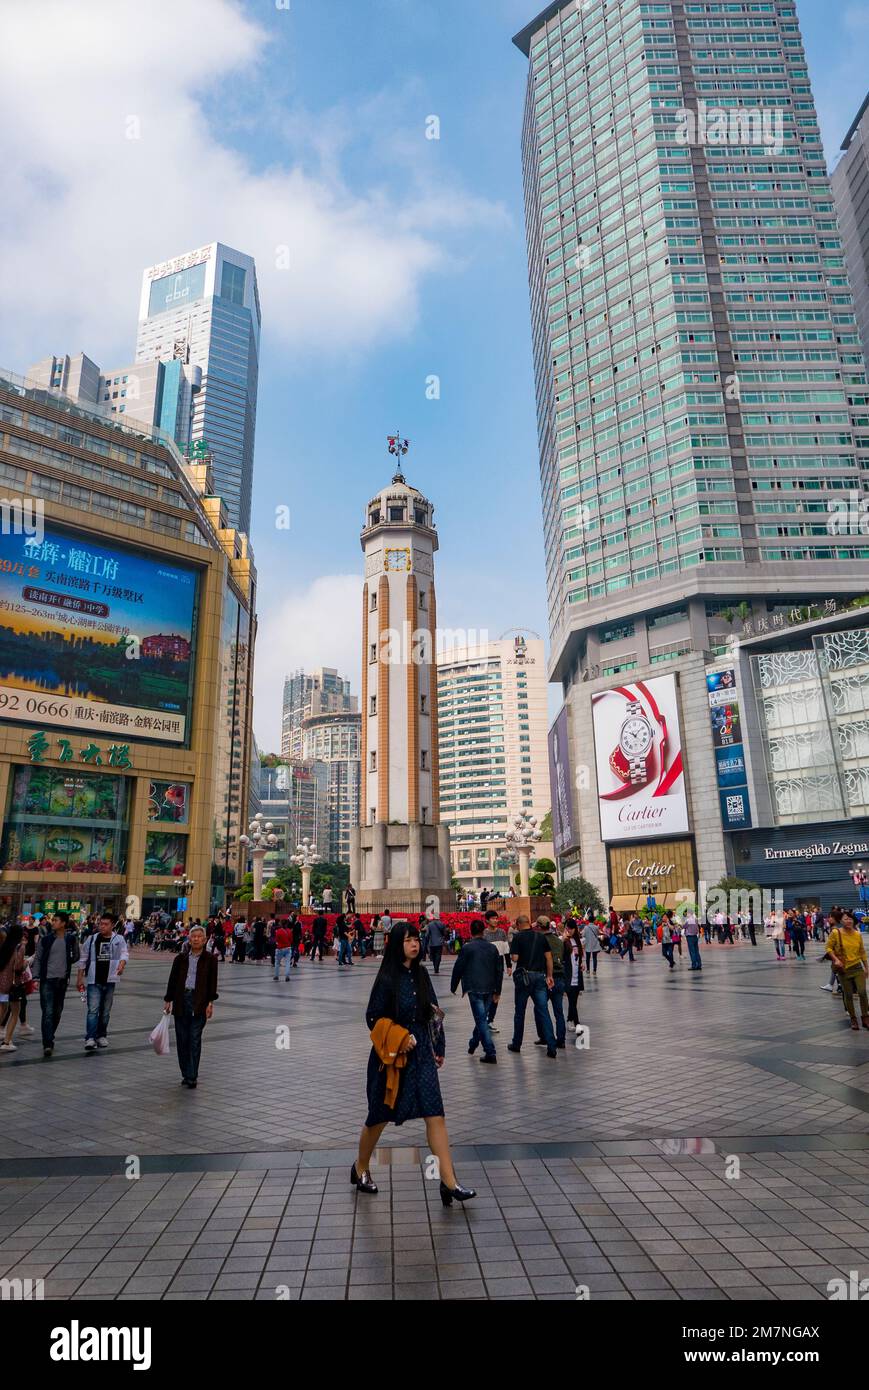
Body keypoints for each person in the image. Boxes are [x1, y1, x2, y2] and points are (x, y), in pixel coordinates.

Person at [352, 922, 475, 1207]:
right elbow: (373, 1017)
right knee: (379, 1116)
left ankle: (449, 1181)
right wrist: (400, 1036)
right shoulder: (386, 978)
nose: (415, 944)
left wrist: (439, 1046)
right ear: (397, 944)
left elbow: (433, 1012)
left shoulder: (420, 974)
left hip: (421, 1055)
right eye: (408, 940)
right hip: (393, 1058)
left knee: (436, 1115)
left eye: (416, 939)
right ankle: (360, 1167)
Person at [163, 924, 219, 1087]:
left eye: (199, 937)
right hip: (181, 1000)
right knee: (182, 1039)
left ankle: (192, 1075)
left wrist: (210, 1003)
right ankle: (185, 1073)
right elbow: (172, 980)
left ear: (204, 939)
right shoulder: (180, 959)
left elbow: (212, 983)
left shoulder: (210, 959)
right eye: (193, 936)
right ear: (189, 939)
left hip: (199, 1001)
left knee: (194, 1038)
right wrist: (168, 999)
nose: (195, 939)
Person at [450, 918, 503, 1063]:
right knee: (482, 1019)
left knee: (481, 1020)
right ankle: (473, 1042)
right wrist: (498, 990)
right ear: (483, 931)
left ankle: (490, 1052)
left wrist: (453, 985)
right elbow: (499, 970)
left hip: (474, 988)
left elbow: (458, 967)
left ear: (471, 931)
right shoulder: (492, 948)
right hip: (490, 987)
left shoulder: (467, 948)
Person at [76, 912, 128, 1051]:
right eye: (100, 924)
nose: (102, 926)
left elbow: (124, 953)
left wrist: (122, 964)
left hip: (110, 980)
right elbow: (83, 958)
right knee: (93, 1010)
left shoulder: (119, 939)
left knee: (105, 1011)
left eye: (105, 924)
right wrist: (79, 978)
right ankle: (90, 1038)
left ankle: (101, 1035)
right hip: (94, 980)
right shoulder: (92, 939)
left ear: (112, 925)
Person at [507, 915, 556, 1058]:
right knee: (543, 1011)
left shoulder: (518, 937)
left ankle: (517, 1044)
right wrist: (549, 976)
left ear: (518, 924)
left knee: (520, 1012)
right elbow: (549, 958)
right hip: (540, 977)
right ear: (530, 923)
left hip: (524, 978)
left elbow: (515, 958)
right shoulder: (541, 937)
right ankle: (551, 1046)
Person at [31, 911, 79, 1056]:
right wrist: (36, 977)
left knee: (57, 1012)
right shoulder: (45, 940)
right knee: (48, 1012)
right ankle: (48, 1043)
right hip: (47, 980)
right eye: (53, 920)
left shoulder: (70, 939)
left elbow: (76, 955)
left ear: (64, 923)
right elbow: (38, 959)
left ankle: (50, 1036)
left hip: (62, 981)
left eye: (56, 920)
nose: (53, 922)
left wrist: (66, 962)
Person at [825, 911, 868, 1031]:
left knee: (862, 992)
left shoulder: (857, 934)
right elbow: (828, 948)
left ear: (853, 921)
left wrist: (866, 967)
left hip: (857, 967)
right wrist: (836, 959)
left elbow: (862, 952)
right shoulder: (835, 933)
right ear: (841, 921)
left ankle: (865, 1017)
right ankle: (853, 1019)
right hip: (844, 969)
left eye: (850, 919)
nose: (848, 921)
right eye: (845, 919)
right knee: (848, 995)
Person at [536, 917, 567, 1050]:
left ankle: (544, 1036)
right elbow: (563, 956)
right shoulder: (558, 940)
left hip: (546, 977)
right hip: (560, 977)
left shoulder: (539, 940)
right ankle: (561, 1039)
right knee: (558, 1011)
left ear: (538, 926)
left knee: (540, 1009)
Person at [482, 909, 511, 1031]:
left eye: (496, 918)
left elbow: (506, 950)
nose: (495, 920)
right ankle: (483, 1019)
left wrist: (509, 965)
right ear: (487, 920)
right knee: (487, 994)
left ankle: (490, 1020)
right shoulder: (484, 934)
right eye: (493, 918)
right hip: (487, 968)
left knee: (496, 995)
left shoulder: (502, 932)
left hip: (499, 967)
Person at [0, 926, 26, 1053]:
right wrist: (27, 962)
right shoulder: (19, 947)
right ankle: (6, 1042)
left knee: (3, 1009)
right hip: (13, 985)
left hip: (1, 984)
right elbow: (18, 967)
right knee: (15, 1012)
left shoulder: (4, 946)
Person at [562, 921, 584, 1031]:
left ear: (575, 929)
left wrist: (581, 964)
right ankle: (577, 1024)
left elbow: (579, 956)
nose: (569, 930)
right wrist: (563, 939)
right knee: (571, 1001)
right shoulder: (565, 941)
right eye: (567, 928)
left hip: (577, 976)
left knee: (574, 1002)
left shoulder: (577, 941)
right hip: (568, 976)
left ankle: (569, 1020)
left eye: (571, 928)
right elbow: (561, 958)